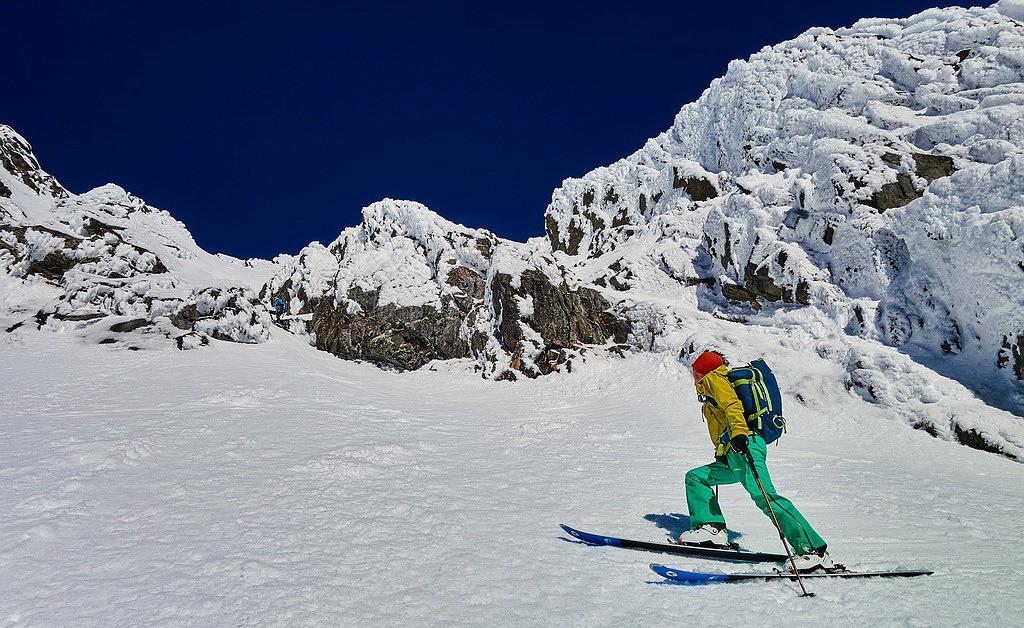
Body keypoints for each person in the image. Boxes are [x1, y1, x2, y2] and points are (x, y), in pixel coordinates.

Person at [675, 350, 835, 571]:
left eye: (695, 369)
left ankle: (813, 551)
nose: (693, 373)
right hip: (733, 451)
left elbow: (732, 405)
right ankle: (712, 529)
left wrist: (739, 434)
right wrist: (723, 449)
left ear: (700, 370)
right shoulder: (711, 386)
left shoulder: (714, 379)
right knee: (696, 478)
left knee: (766, 497)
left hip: (744, 446)